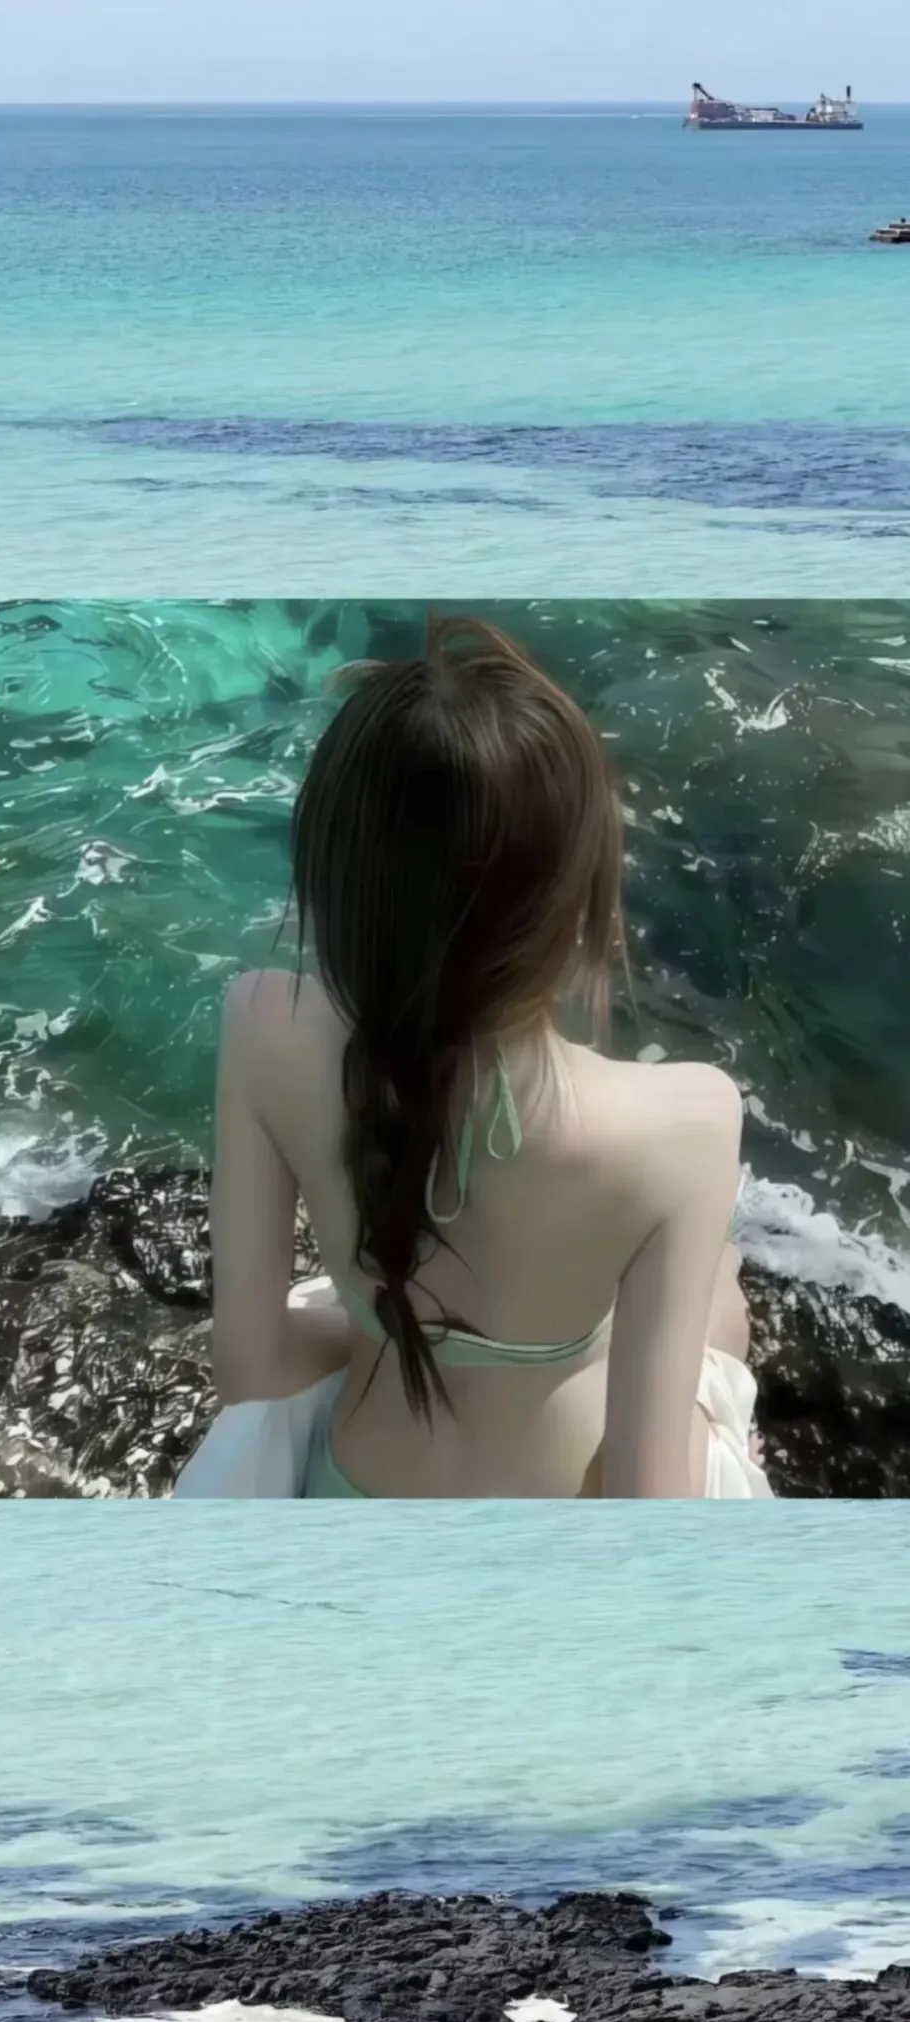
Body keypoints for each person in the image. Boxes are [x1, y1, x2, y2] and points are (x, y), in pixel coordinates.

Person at [178, 615, 771, 1499]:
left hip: (348, 1488)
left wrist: (396, 1332)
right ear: (583, 902)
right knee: (723, 1311)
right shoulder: (689, 1119)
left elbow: (250, 1365)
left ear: (334, 883)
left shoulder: (265, 1024)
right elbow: (651, 1496)